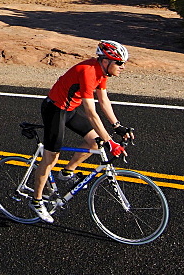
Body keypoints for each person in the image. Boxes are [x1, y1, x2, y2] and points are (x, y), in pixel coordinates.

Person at [30, 40, 135, 223]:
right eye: (119, 62)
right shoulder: (88, 72)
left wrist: (118, 126)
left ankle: (67, 172)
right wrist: (111, 142)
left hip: (69, 110)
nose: (123, 67)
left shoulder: (102, 72)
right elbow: (91, 113)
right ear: (105, 61)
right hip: (55, 110)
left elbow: (103, 101)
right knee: (51, 157)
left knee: (95, 142)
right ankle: (37, 201)